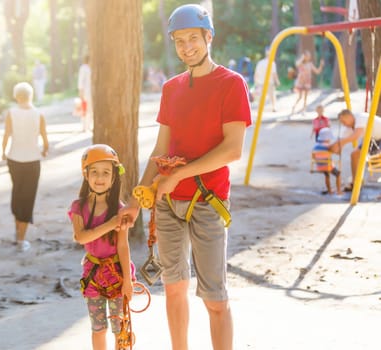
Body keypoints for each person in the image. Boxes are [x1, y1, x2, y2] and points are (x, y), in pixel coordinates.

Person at [120, 4, 251, 350]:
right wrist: (135, 202)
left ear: (208, 37)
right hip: (166, 203)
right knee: (174, 287)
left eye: (193, 38)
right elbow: (160, 150)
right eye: (179, 41)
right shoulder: (171, 88)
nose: (186, 47)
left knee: (214, 297)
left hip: (208, 202)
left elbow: (232, 150)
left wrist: (180, 176)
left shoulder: (232, 84)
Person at [68, 144, 134, 350]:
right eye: (94, 172)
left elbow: (122, 246)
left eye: (106, 172)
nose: (100, 177)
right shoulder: (78, 207)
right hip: (93, 276)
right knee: (98, 328)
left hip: (117, 275)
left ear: (113, 177)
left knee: (120, 327)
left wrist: (127, 282)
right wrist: (111, 223)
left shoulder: (120, 209)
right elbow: (81, 237)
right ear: (86, 175)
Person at [2, 82, 49, 252]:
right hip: (32, 161)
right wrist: (44, 150)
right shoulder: (39, 114)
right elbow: (44, 137)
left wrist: (3, 152)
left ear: (16, 96)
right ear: (31, 95)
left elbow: (7, 134)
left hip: (14, 159)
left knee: (18, 193)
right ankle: (21, 239)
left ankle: (18, 232)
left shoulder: (11, 113)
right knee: (28, 197)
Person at [329, 109, 381, 192]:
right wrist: (333, 148)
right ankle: (356, 183)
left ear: (349, 116)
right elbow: (341, 141)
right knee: (354, 154)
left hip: (378, 137)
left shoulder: (359, 118)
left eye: (343, 121)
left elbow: (355, 136)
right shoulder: (350, 127)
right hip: (373, 139)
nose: (344, 124)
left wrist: (340, 143)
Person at [291, 50, 324, 116]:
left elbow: (317, 72)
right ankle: (294, 107)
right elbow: (296, 64)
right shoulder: (300, 63)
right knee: (300, 97)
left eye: (309, 56)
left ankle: (303, 110)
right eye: (307, 56)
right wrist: (302, 58)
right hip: (301, 81)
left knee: (305, 97)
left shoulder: (310, 64)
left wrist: (321, 65)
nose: (308, 57)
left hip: (307, 82)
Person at [312, 127, 342, 195]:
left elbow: (314, 156)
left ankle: (329, 191)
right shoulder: (328, 146)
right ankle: (339, 191)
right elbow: (337, 152)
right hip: (328, 166)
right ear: (328, 138)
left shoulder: (315, 146)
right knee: (338, 174)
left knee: (327, 175)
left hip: (320, 166)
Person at [253, 46, 280, 112]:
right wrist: (277, 81)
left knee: (261, 97)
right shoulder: (272, 63)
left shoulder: (260, 62)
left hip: (260, 82)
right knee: (272, 95)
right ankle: (274, 107)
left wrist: (255, 82)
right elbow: (274, 74)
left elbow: (256, 73)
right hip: (269, 82)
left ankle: (260, 109)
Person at [78, 55, 93, 132]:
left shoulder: (91, 68)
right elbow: (81, 81)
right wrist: (81, 92)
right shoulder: (83, 68)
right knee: (85, 109)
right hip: (86, 92)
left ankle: (89, 125)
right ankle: (84, 126)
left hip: (91, 92)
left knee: (91, 109)